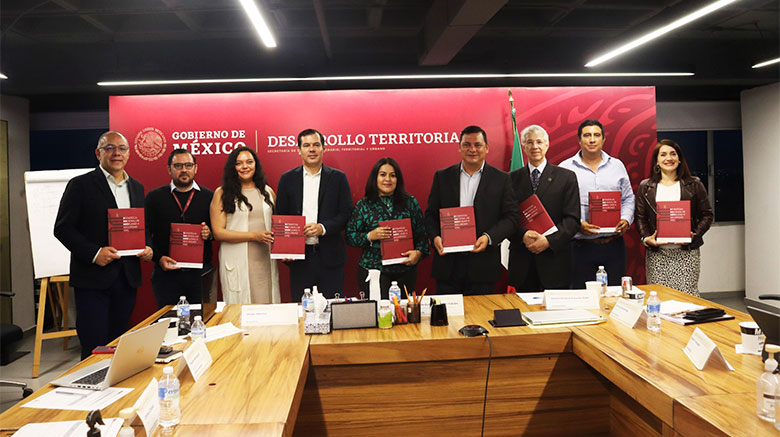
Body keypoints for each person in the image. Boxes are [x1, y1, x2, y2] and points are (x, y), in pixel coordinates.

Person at [54, 131, 153, 359]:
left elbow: (142, 226)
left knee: (119, 345)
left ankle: (115, 384)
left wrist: (147, 246)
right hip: (93, 280)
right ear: (98, 153)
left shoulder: (136, 187)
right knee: (94, 348)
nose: (116, 153)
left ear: (128, 154)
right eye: (109, 148)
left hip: (127, 279)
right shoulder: (80, 185)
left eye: (122, 148)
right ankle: (93, 383)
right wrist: (95, 253)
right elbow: (62, 228)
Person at [425, 125, 519, 295]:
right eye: (467, 145)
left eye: (478, 145)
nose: (472, 149)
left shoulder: (502, 179)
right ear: (459, 147)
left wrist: (488, 237)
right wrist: (435, 237)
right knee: (447, 312)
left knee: (480, 312)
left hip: (483, 266)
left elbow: (511, 218)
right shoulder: (442, 177)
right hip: (448, 265)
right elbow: (431, 214)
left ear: (487, 148)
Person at [275, 129, 352, 301]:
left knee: (332, 307)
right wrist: (285, 248)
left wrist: (322, 228)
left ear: (323, 148)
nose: (312, 149)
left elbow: (347, 213)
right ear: (299, 150)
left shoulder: (338, 178)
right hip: (300, 259)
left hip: (331, 257)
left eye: (316, 145)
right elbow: (282, 216)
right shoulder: (287, 179)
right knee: (302, 308)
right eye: (306, 145)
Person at [559, 119, 635, 288]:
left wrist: (626, 219)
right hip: (580, 247)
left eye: (596, 135)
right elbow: (558, 204)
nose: (592, 140)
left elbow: (628, 198)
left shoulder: (617, 166)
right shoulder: (565, 168)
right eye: (587, 135)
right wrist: (576, 224)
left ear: (603, 139)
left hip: (613, 245)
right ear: (579, 140)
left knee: (615, 295)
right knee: (581, 295)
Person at [635, 139, 713, 296]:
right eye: (663, 154)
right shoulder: (646, 186)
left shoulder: (694, 184)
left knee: (687, 298)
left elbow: (707, 214)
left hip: (687, 253)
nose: (668, 158)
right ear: (657, 161)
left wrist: (694, 235)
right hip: (658, 255)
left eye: (673, 154)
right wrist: (646, 238)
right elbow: (640, 217)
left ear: (679, 159)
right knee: (659, 298)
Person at [508, 125, 580, 291]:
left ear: (547, 145)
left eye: (539, 142)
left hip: (555, 260)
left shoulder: (566, 177)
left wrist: (548, 241)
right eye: (529, 142)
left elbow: (572, 220)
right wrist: (522, 235)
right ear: (523, 146)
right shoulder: (511, 179)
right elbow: (506, 218)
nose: (535, 146)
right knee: (522, 308)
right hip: (523, 260)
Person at [346, 157, 429, 299]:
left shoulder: (410, 202)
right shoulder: (364, 205)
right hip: (374, 271)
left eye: (393, 175)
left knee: (403, 312)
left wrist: (419, 253)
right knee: (379, 312)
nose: (388, 180)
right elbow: (349, 236)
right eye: (383, 175)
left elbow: (422, 234)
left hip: (405, 271)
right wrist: (369, 236)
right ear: (375, 178)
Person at [209, 146, 280, 304]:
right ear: (232, 167)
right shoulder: (222, 193)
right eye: (239, 163)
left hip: (264, 258)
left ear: (256, 165)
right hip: (236, 258)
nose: (245, 166)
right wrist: (254, 236)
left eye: (249, 162)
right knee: (240, 307)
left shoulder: (268, 192)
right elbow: (218, 232)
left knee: (268, 302)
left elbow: (279, 226)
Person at [145, 149, 213, 308]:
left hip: (200, 274)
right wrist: (158, 258)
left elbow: (219, 230)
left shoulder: (209, 197)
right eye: (178, 166)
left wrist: (209, 233)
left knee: (202, 320)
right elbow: (145, 233)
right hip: (166, 274)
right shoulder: (154, 197)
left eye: (188, 165)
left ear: (196, 168)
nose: (184, 170)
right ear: (169, 169)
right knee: (169, 320)